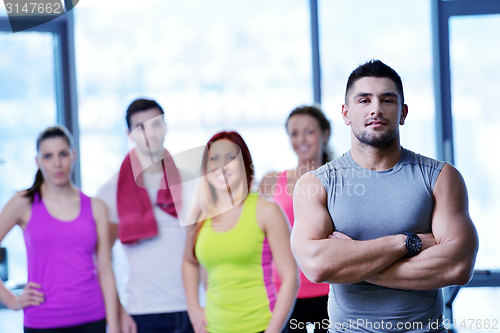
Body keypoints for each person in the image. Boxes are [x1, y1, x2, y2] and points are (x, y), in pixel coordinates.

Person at [290, 60, 479, 333]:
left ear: (402, 112)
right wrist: (406, 243)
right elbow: (317, 266)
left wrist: (351, 265)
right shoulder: (317, 183)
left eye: (387, 100)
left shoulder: (440, 177)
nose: (376, 109)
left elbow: (458, 266)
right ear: (346, 113)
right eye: (364, 100)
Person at [0, 125, 120, 333]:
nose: (57, 163)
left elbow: (105, 270)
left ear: (73, 155)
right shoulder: (23, 202)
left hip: (92, 318)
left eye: (63, 154)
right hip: (42, 322)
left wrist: (115, 326)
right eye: (48, 156)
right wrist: (12, 301)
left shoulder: (96, 207)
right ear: (37, 161)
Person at [182, 131, 299, 333]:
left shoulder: (266, 210)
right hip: (214, 328)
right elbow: (189, 261)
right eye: (214, 158)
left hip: (261, 326)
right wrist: (193, 306)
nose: (222, 165)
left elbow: (290, 278)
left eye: (230, 158)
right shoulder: (199, 215)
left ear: (244, 163)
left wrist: (273, 330)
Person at [96, 98, 194, 333]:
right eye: (140, 127)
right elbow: (103, 259)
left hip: (192, 307)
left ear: (165, 127)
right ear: (129, 133)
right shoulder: (111, 191)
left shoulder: (192, 183)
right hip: (142, 311)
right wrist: (119, 311)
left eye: (156, 124)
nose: (149, 133)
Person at [259, 105, 331, 332]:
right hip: (283, 292)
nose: (302, 139)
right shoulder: (270, 181)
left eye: (309, 131)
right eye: (294, 133)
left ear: (325, 134)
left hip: (331, 289)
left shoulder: (341, 179)